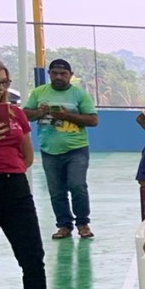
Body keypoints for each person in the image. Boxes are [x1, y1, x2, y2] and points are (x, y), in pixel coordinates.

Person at [0, 56, 66, 289]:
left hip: (16, 188)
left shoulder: (16, 114)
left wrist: (10, 174)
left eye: (4, 83)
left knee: (33, 258)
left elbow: (27, 156)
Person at [22, 57, 98, 239]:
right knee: (56, 191)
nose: (59, 77)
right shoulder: (38, 92)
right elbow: (25, 114)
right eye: (55, 73)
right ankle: (64, 226)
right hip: (49, 150)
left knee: (77, 185)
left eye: (63, 74)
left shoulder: (79, 95)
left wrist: (67, 116)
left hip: (76, 149)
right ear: (49, 74)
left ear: (70, 75)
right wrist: (39, 112)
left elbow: (93, 120)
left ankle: (83, 223)